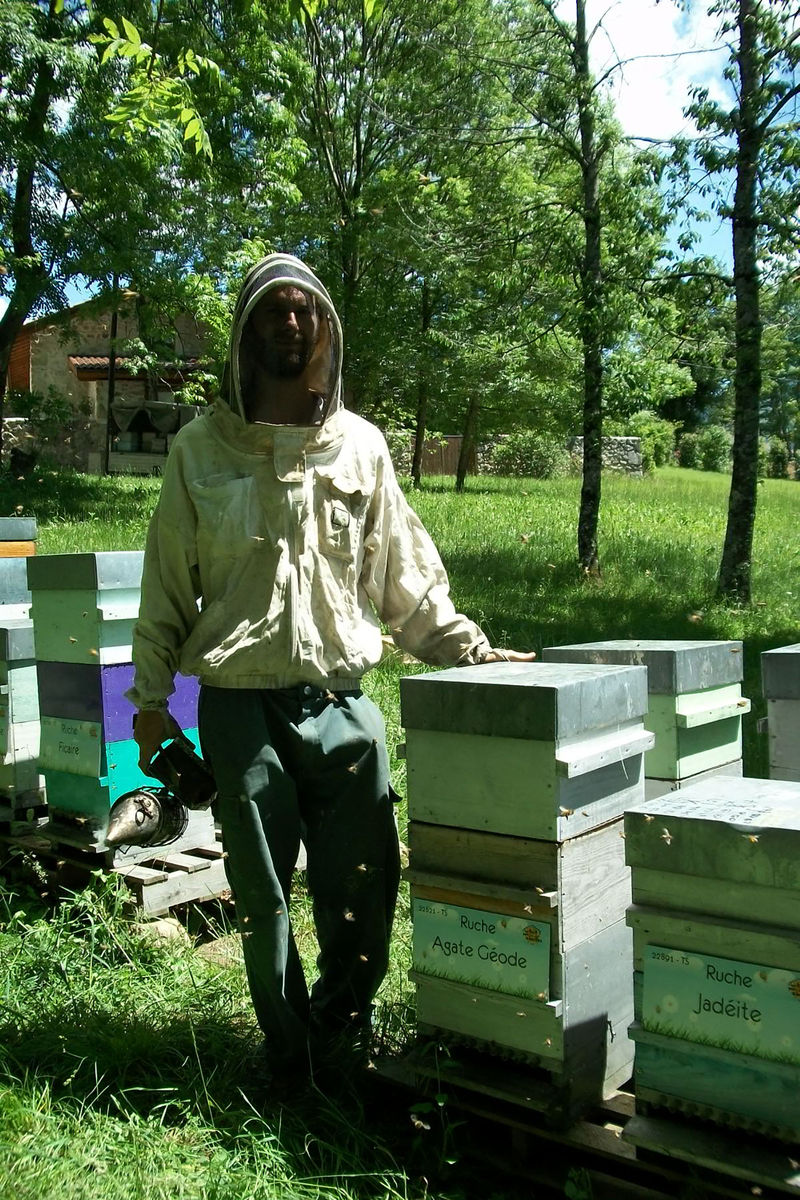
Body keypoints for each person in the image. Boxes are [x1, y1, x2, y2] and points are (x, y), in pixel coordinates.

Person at [128, 253, 534, 1088]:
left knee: (364, 879)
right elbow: (165, 582)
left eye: (302, 311)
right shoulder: (199, 451)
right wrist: (149, 700)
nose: (289, 323)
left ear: (324, 332)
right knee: (267, 896)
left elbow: (406, 579)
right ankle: (290, 1059)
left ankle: (341, 1030)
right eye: (272, 310)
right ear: (246, 333)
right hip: (240, 710)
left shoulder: (363, 449)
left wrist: (471, 650)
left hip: (343, 706)